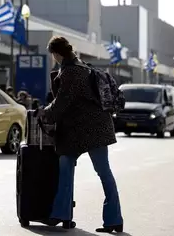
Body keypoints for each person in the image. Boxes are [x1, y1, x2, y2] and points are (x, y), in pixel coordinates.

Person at [40, 36, 123, 233]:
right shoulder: (82, 66)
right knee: (97, 171)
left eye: (52, 54)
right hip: (90, 128)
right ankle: (66, 215)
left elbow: (63, 102)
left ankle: (64, 215)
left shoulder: (72, 72)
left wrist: (45, 113)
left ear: (57, 54)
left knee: (77, 168)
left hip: (87, 130)